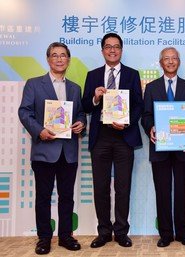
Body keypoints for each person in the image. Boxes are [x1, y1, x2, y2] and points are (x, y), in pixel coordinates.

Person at [18, 42, 86, 255]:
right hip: (44, 150)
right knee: (43, 196)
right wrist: (39, 131)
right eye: (54, 55)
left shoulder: (75, 88)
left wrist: (81, 124)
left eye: (63, 55)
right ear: (48, 59)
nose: (59, 59)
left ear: (68, 60)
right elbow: (24, 112)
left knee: (67, 196)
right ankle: (44, 238)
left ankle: (66, 236)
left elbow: (81, 114)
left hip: (68, 151)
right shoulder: (34, 84)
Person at [82, 33, 143, 248]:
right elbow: (85, 106)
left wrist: (127, 123)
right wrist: (95, 98)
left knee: (123, 187)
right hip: (100, 138)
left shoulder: (132, 74)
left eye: (116, 47)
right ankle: (104, 232)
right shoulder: (93, 75)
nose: (112, 50)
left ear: (121, 50)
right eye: (108, 47)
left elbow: (138, 105)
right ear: (102, 51)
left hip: (124, 138)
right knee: (100, 187)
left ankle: (121, 232)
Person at [142, 47, 185, 247]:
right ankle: (165, 234)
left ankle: (183, 233)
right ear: (160, 62)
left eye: (174, 58)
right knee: (162, 192)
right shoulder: (151, 87)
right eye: (167, 58)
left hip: (183, 149)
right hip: (160, 148)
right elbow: (146, 116)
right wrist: (151, 128)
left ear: (179, 62)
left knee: (183, 192)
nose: (171, 61)